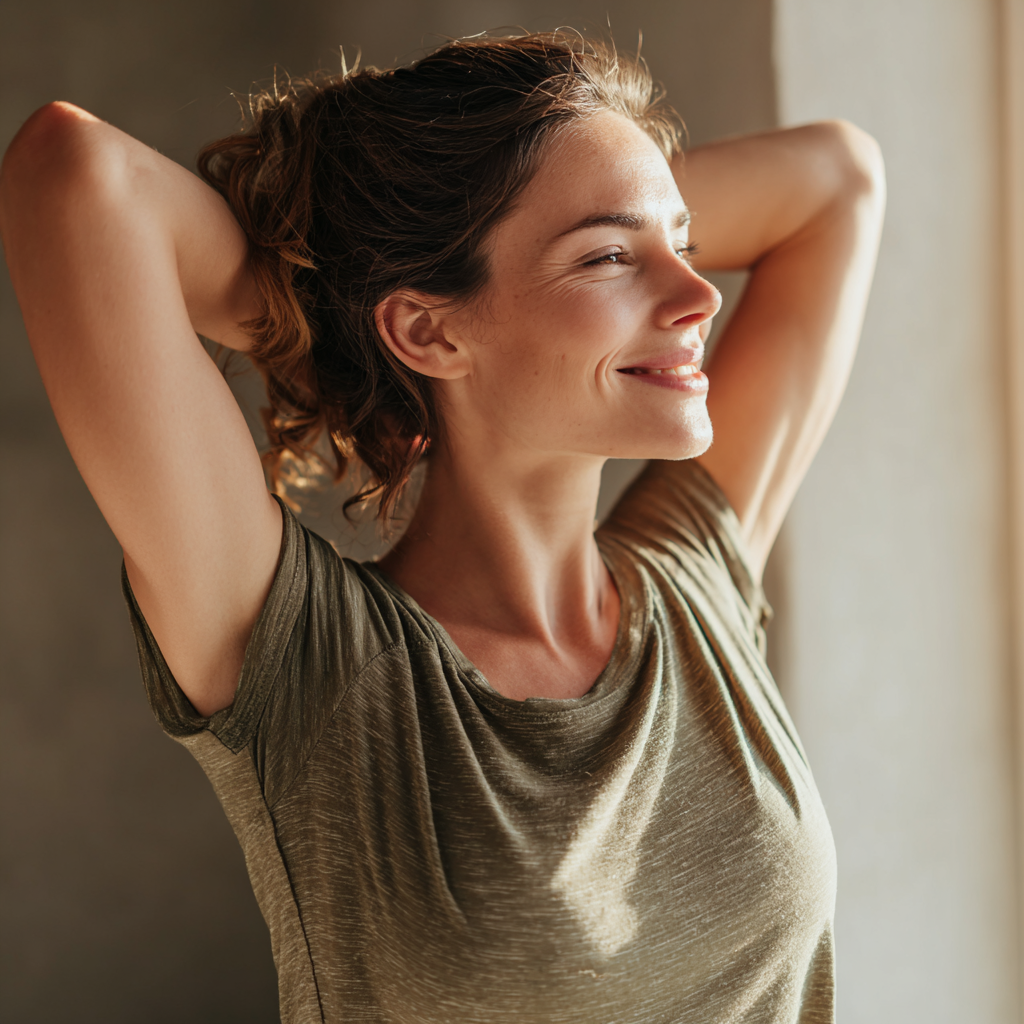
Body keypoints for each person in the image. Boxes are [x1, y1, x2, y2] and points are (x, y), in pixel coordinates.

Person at [0, 31, 884, 1024]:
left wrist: (372, 301)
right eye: (608, 257)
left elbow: (838, 181)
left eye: (680, 242)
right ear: (427, 327)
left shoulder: (697, 584)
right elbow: (73, 176)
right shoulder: (319, 669)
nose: (694, 294)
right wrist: (335, 311)